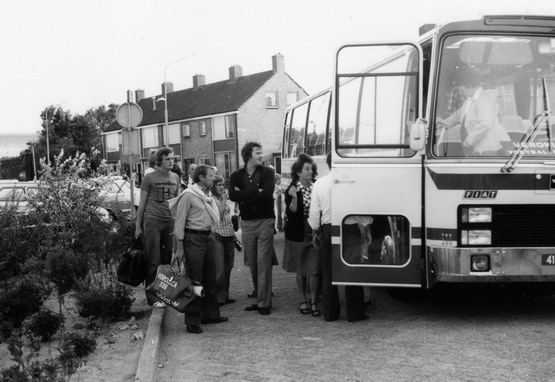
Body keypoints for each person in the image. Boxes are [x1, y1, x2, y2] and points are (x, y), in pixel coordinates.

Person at [309, 152, 368, 322]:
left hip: (328, 229)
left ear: (328, 164)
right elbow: (360, 208)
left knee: (328, 272)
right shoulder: (352, 182)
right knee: (352, 270)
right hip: (349, 228)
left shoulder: (319, 184)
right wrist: (364, 228)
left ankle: (330, 313)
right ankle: (356, 313)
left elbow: (315, 213)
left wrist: (315, 230)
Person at [169, 164, 228, 334]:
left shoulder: (206, 195)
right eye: (210, 175)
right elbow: (179, 223)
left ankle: (211, 315)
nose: (213, 178)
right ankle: (192, 321)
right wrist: (179, 248)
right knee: (195, 281)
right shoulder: (188, 195)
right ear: (201, 178)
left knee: (210, 279)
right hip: (193, 239)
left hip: (208, 238)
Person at [229, 141, 276, 316]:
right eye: (257, 153)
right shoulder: (236, 176)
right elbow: (232, 195)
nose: (261, 155)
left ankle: (264, 303)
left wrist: (244, 197)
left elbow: (267, 193)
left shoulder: (268, 173)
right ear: (248, 155)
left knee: (263, 261)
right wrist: (255, 192)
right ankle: (260, 296)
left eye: (261, 152)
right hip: (247, 223)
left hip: (265, 221)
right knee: (254, 263)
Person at [135, 147, 180, 308]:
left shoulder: (175, 177)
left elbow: (177, 202)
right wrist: (138, 225)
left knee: (167, 259)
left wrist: (178, 222)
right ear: (160, 160)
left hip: (169, 221)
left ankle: (164, 294)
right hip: (152, 220)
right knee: (153, 259)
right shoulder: (149, 177)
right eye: (168, 159)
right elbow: (142, 202)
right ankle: (152, 298)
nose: (171, 161)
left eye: (173, 158)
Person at [437, 66, 510, 156]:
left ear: (468, 86)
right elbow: (459, 114)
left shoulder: (483, 99)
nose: (461, 92)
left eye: (461, 89)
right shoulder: (470, 99)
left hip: (490, 148)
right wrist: (443, 124)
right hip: (480, 147)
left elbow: (485, 124)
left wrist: (468, 142)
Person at [282, 153, 321, 316]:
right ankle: (302, 299)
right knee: (300, 268)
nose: (310, 172)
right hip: (298, 231)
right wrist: (293, 198)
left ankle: (313, 301)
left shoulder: (317, 186)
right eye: (307, 169)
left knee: (313, 269)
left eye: (311, 169)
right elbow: (291, 213)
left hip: (313, 230)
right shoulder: (292, 188)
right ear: (298, 172)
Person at [211, 175, 236, 306]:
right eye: (218, 185)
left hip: (229, 234)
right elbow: (218, 215)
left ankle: (225, 294)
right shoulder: (212, 199)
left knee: (229, 266)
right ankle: (219, 296)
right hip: (218, 234)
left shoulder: (223, 198)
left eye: (223, 185)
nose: (221, 187)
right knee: (219, 268)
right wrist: (225, 199)